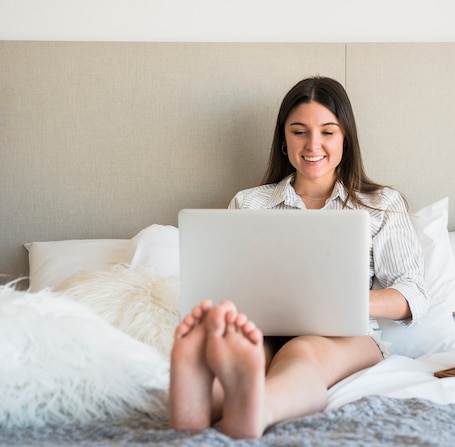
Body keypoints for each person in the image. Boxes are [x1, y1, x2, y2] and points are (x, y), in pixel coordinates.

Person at [168, 76, 429, 439]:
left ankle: (256, 409)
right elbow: (227, 282)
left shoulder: (380, 204)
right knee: (251, 349)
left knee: (302, 352)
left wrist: (346, 302)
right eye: (299, 131)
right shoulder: (248, 203)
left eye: (328, 132)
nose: (313, 145)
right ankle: (198, 398)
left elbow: (413, 293)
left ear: (346, 139)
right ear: (283, 139)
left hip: (345, 337)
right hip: (264, 330)